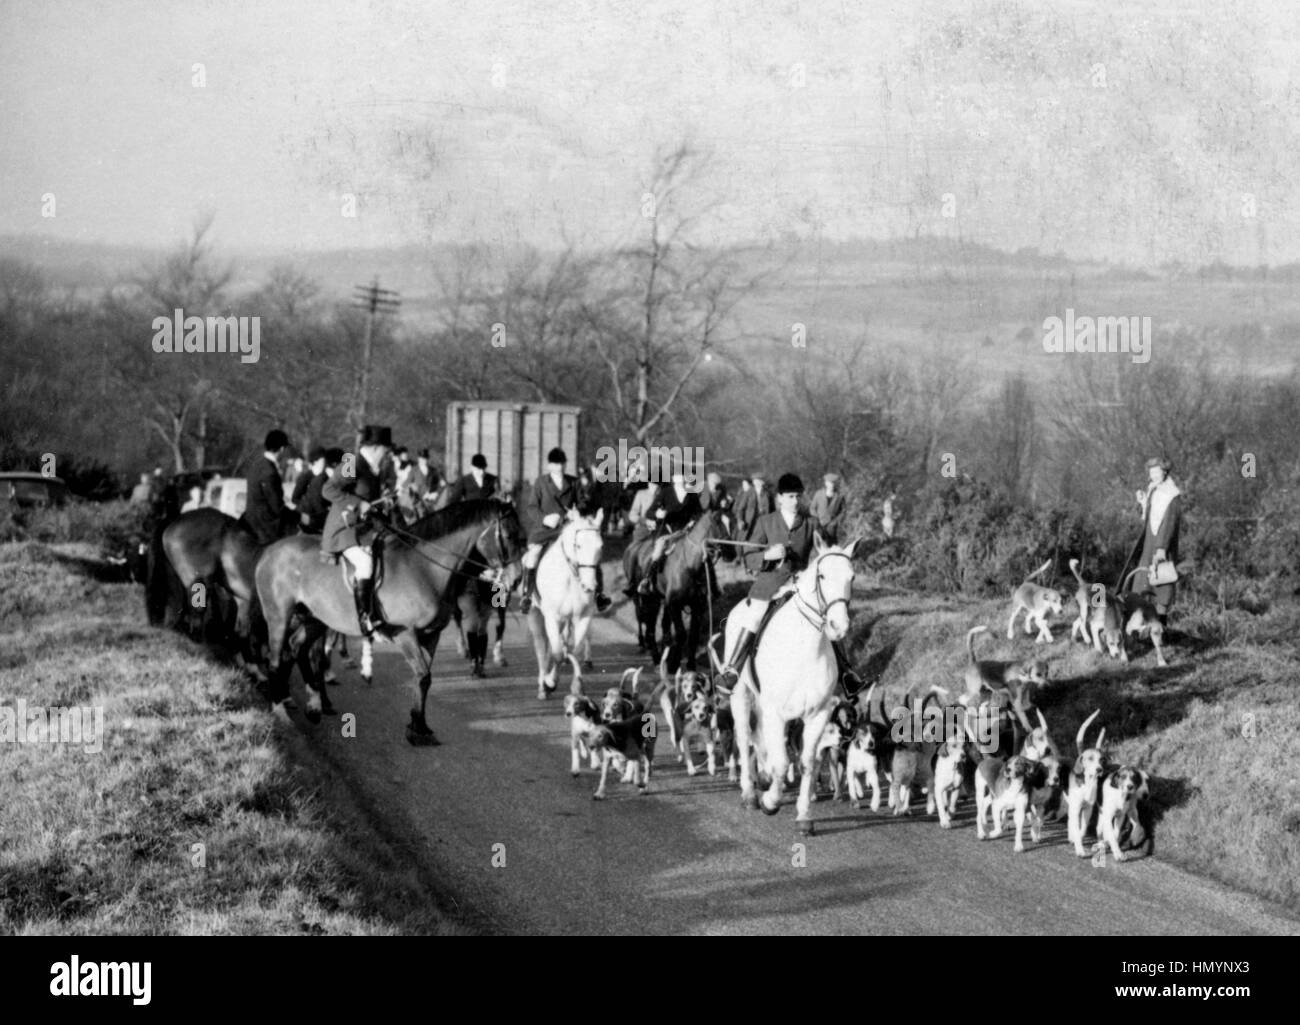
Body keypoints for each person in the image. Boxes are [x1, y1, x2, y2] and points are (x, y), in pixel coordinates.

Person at [519, 447, 611, 614]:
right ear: (549, 466)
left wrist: (579, 511)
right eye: (556, 464)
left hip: (567, 529)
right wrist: (545, 519)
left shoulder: (574, 481)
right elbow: (532, 507)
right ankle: (527, 594)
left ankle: (599, 595)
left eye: (562, 463)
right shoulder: (541, 482)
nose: (559, 467)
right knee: (532, 558)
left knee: (589, 554)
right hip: (544, 531)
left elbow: (583, 502)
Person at [322, 425, 393, 637]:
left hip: (364, 531)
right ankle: (365, 617)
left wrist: (383, 504)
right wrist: (357, 504)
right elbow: (329, 489)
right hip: (343, 530)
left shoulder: (373, 468)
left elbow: (370, 501)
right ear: (375, 448)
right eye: (385, 450)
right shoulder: (351, 462)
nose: (387, 454)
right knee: (365, 562)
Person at [1122, 456, 1183, 626]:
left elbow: (1169, 523)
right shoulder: (1153, 489)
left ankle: (1161, 627)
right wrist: (1143, 502)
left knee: (1162, 584)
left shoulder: (1172, 494)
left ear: (1164, 472)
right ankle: (1142, 625)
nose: (1153, 475)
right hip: (1148, 542)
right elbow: (1148, 517)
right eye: (1151, 472)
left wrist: (1161, 548)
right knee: (1143, 583)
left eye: (1156, 471)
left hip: (1161, 545)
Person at [637, 468, 703, 594]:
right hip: (666, 531)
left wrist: (694, 521)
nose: (681, 479)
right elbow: (648, 513)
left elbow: (699, 513)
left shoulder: (692, 494)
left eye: (683, 476)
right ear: (673, 479)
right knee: (657, 552)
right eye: (678, 477)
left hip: (687, 532)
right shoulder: (665, 493)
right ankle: (647, 580)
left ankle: (711, 584)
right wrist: (658, 513)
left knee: (703, 553)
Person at [240, 429, 291, 546]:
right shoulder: (270, 471)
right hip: (265, 526)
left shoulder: (256, 464)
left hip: (250, 518)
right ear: (282, 449)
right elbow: (276, 506)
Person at [293, 447, 331, 534]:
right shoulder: (305, 477)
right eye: (324, 460)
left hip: (317, 511)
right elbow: (295, 498)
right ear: (315, 461)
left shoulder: (324, 476)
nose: (326, 463)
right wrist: (307, 505)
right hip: (307, 513)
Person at [809, 472, 847, 545]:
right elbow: (812, 508)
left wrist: (836, 521)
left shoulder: (840, 496)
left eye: (833, 483)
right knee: (819, 545)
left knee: (832, 545)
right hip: (819, 524)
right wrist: (816, 519)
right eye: (830, 483)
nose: (832, 485)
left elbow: (843, 511)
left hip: (832, 526)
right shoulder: (818, 494)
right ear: (826, 483)